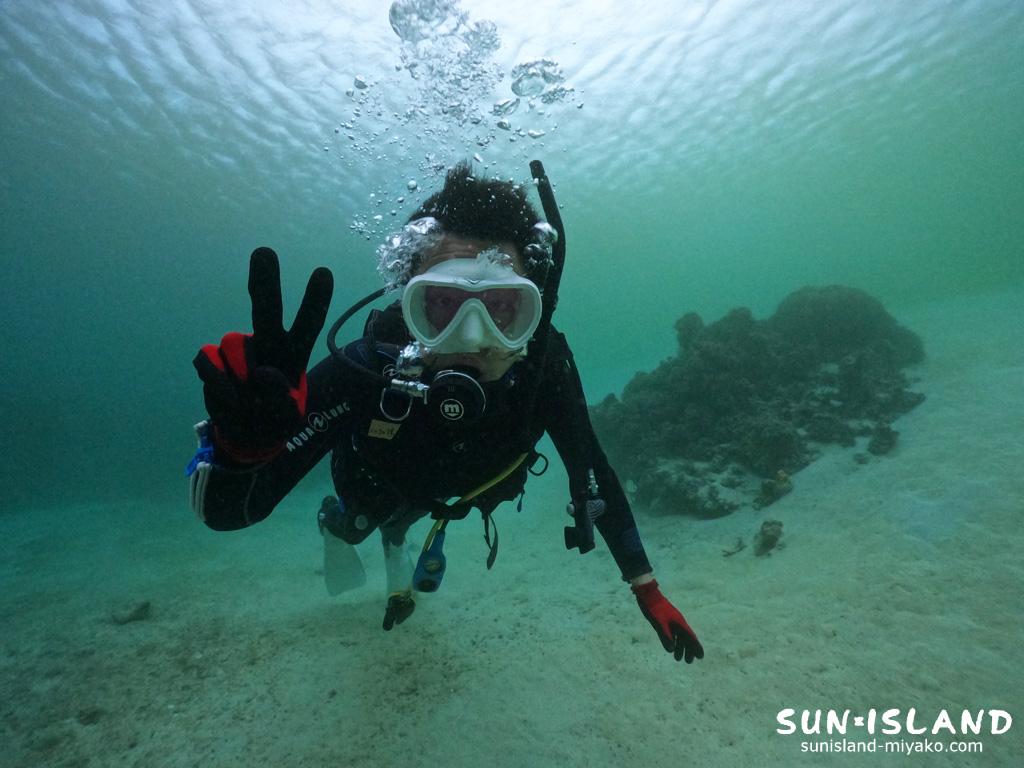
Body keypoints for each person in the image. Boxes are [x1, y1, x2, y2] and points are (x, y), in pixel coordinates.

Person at [186, 160, 704, 663]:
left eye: (503, 308)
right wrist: (241, 451)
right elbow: (230, 514)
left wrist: (646, 587)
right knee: (363, 521)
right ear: (408, 307)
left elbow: (593, 472)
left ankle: (398, 534)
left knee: (403, 516)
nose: (472, 340)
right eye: (441, 306)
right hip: (378, 483)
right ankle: (347, 524)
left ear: (535, 309)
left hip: (460, 489)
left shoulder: (543, 370)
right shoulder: (366, 370)